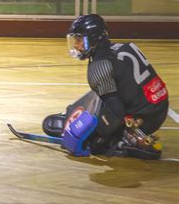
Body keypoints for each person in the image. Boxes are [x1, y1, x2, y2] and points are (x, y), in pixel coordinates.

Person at [43, 14, 169, 159]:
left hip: (144, 119)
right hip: (159, 106)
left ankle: (128, 140)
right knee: (102, 90)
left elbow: (117, 111)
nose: (76, 45)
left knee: (99, 141)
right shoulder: (125, 46)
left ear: (93, 39)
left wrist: (97, 141)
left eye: (79, 40)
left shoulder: (99, 66)